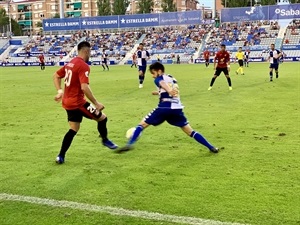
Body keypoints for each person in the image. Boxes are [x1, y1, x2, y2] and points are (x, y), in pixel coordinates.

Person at [116, 62, 218, 154]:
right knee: (190, 131)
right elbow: (169, 88)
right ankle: (211, 147)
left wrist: (168, 90)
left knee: (142, 124)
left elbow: (162, 84)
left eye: (153, 73)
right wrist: (159, 92)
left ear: (159, 71)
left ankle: (129, 144)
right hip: (177, 108)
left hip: (164, 108)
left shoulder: (158, 79)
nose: (152, 76)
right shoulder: (172, 78)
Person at [53, 41, 117, 164]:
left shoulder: (70, 63)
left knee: (74, 128)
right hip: (78, 103)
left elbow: (55, 75)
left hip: (67, 103)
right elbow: (84, 87)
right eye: (90, 52)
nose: (90, 55)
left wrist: (60, 91)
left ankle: (60, 156)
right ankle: (105, 140)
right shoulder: (83, 65)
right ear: (86, 51)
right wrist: (96, 103)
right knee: (102, 118)